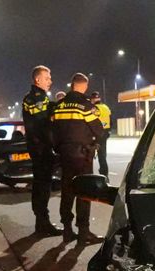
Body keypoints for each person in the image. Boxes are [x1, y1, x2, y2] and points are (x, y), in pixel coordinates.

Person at [52, 73, 105, 243]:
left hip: (64, 155)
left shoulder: (59, 106)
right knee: (84, 192)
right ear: (85, 86)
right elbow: (99, 130)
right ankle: (83, 232)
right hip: (83, 157)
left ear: (72, 85)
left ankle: (67, 230)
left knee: (67, 192)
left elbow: (53, 131)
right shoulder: (85, 106)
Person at [22, 65, 61, 236]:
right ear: (38, 79)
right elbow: (41, 123)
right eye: (47, 78)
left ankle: (42, 223)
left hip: (41, 147)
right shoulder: (35, 98)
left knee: (42, 186)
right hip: (40, 148)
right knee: (42, 187)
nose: (50, 81)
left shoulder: (39, 98)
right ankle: (42, 224)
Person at [90, 91, 111, 177]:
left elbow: (91, 121)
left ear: (93, 99)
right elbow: (110, 120)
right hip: (105, 132)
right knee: (102, 155)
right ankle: (104, 172)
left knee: (90, 154)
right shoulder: (106, 107)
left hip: (95, 133)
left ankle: (89, 173)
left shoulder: (93, 108)